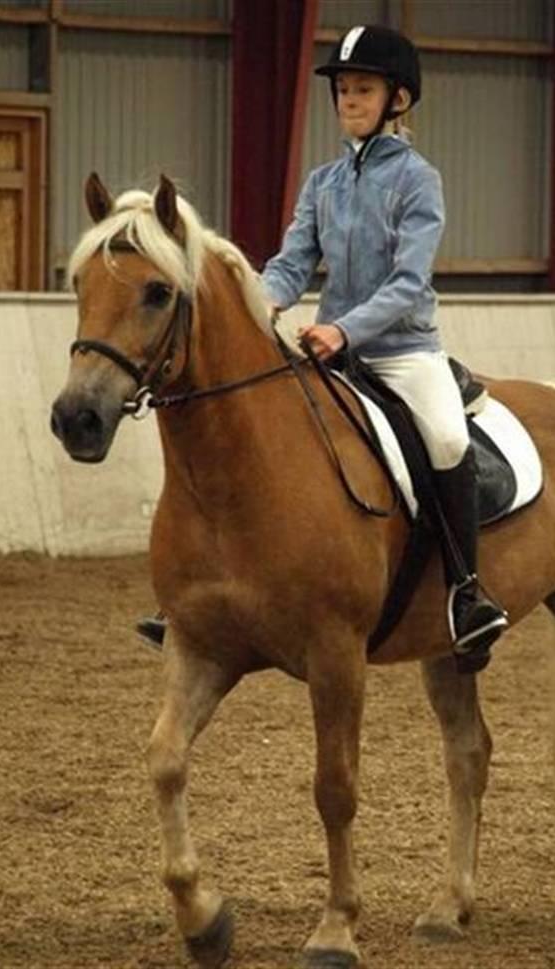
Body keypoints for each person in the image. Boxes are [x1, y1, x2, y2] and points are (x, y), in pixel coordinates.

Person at [138, 24, 508, 673]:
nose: (349, 100)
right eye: (343, 90)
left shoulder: (419, 181)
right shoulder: (323, 183)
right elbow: (291, 263)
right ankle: (200, 596)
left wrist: (344, 329)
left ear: (397, 99)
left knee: (448, 439)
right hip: (331, 351)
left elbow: (408, 281)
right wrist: (257, 304)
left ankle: (466, 592)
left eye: (363, 89)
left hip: (402, 350)